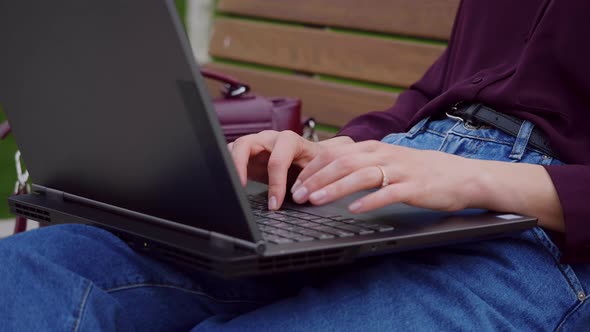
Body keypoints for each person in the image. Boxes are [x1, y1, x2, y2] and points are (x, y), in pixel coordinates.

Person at [1, 0, 589, 330]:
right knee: (25, 276)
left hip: (547, 235)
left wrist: (484, 178)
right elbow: (446, 89)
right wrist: (335, 151)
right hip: (395, 187)